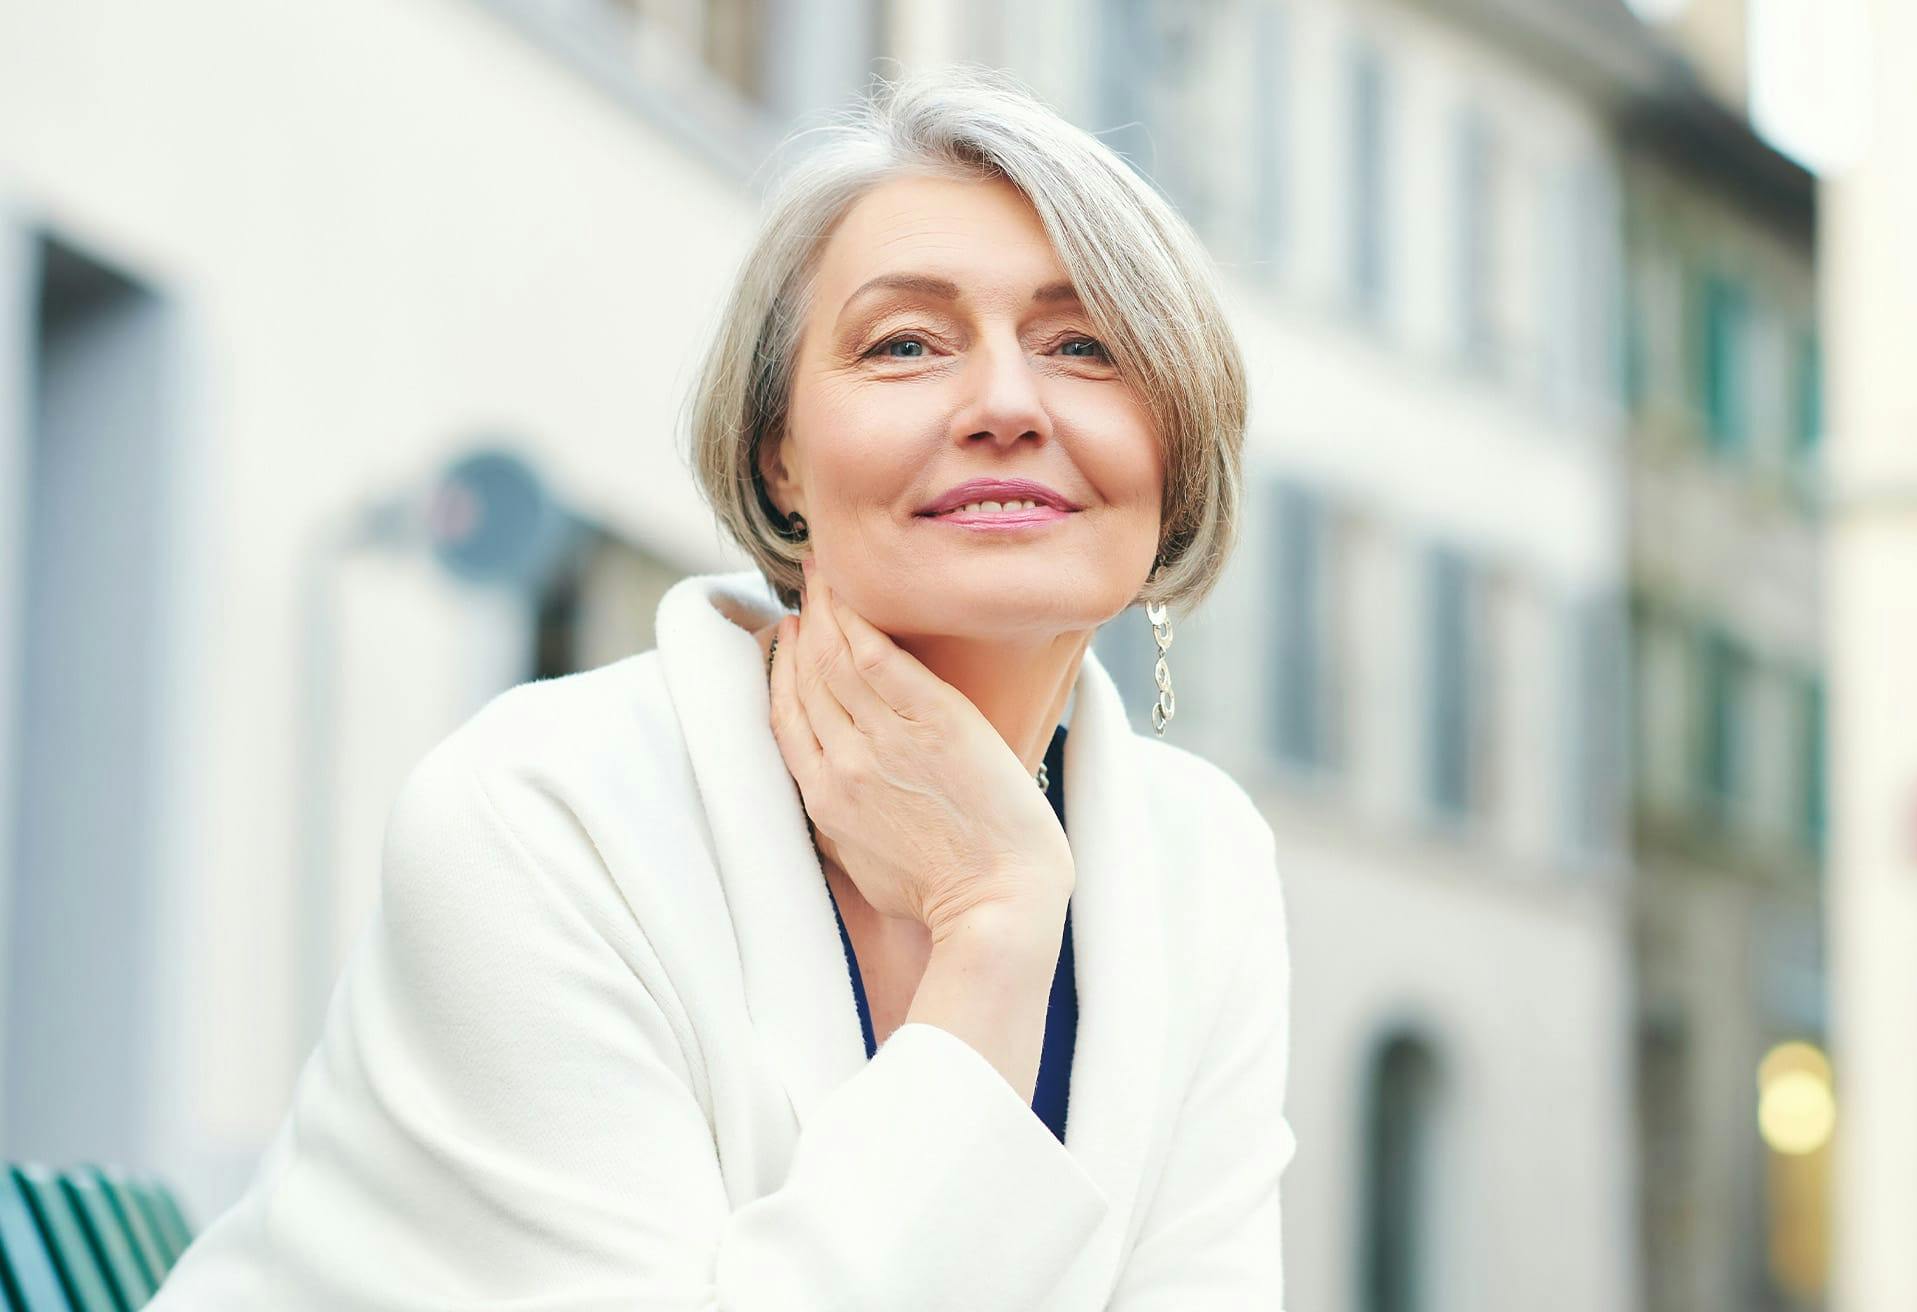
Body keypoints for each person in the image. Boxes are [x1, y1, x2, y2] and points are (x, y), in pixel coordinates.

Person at [149, 63, 1295, 1310]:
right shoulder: (540, 813)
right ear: (779, 461)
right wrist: (996, 922)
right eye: (905, 343)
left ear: (1176, 456)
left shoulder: (1206, 861)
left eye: (1085, 346)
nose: (1007, 404)